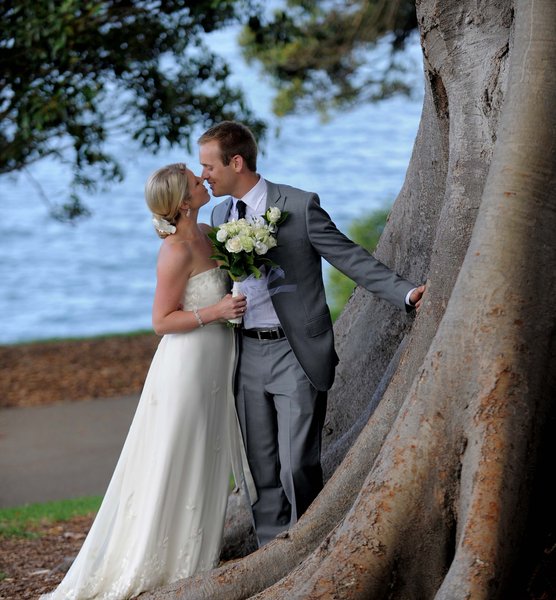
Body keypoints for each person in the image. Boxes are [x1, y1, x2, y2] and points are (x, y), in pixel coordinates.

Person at [198, 121, 426, 546]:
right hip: (245, 354)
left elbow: (349, 257)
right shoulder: (218, 215)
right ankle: (273, 556)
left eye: (208, 167)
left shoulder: (299, 206)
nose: (204, 176)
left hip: (294, 351)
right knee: (261, 469)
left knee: (296, 466)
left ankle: (307, 547)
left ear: (236, 161)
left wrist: (407, 292)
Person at [41, 163, 255, 600]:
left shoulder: (212, 236)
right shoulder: (176, 251)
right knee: (178, 452)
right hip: (188, 366)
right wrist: (214, 313)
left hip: (218, 361)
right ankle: (164, 560)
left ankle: (196, 554)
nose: (203, 181)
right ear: (182, 202)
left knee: (207, 453)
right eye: (197, 183)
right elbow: (161, 320)